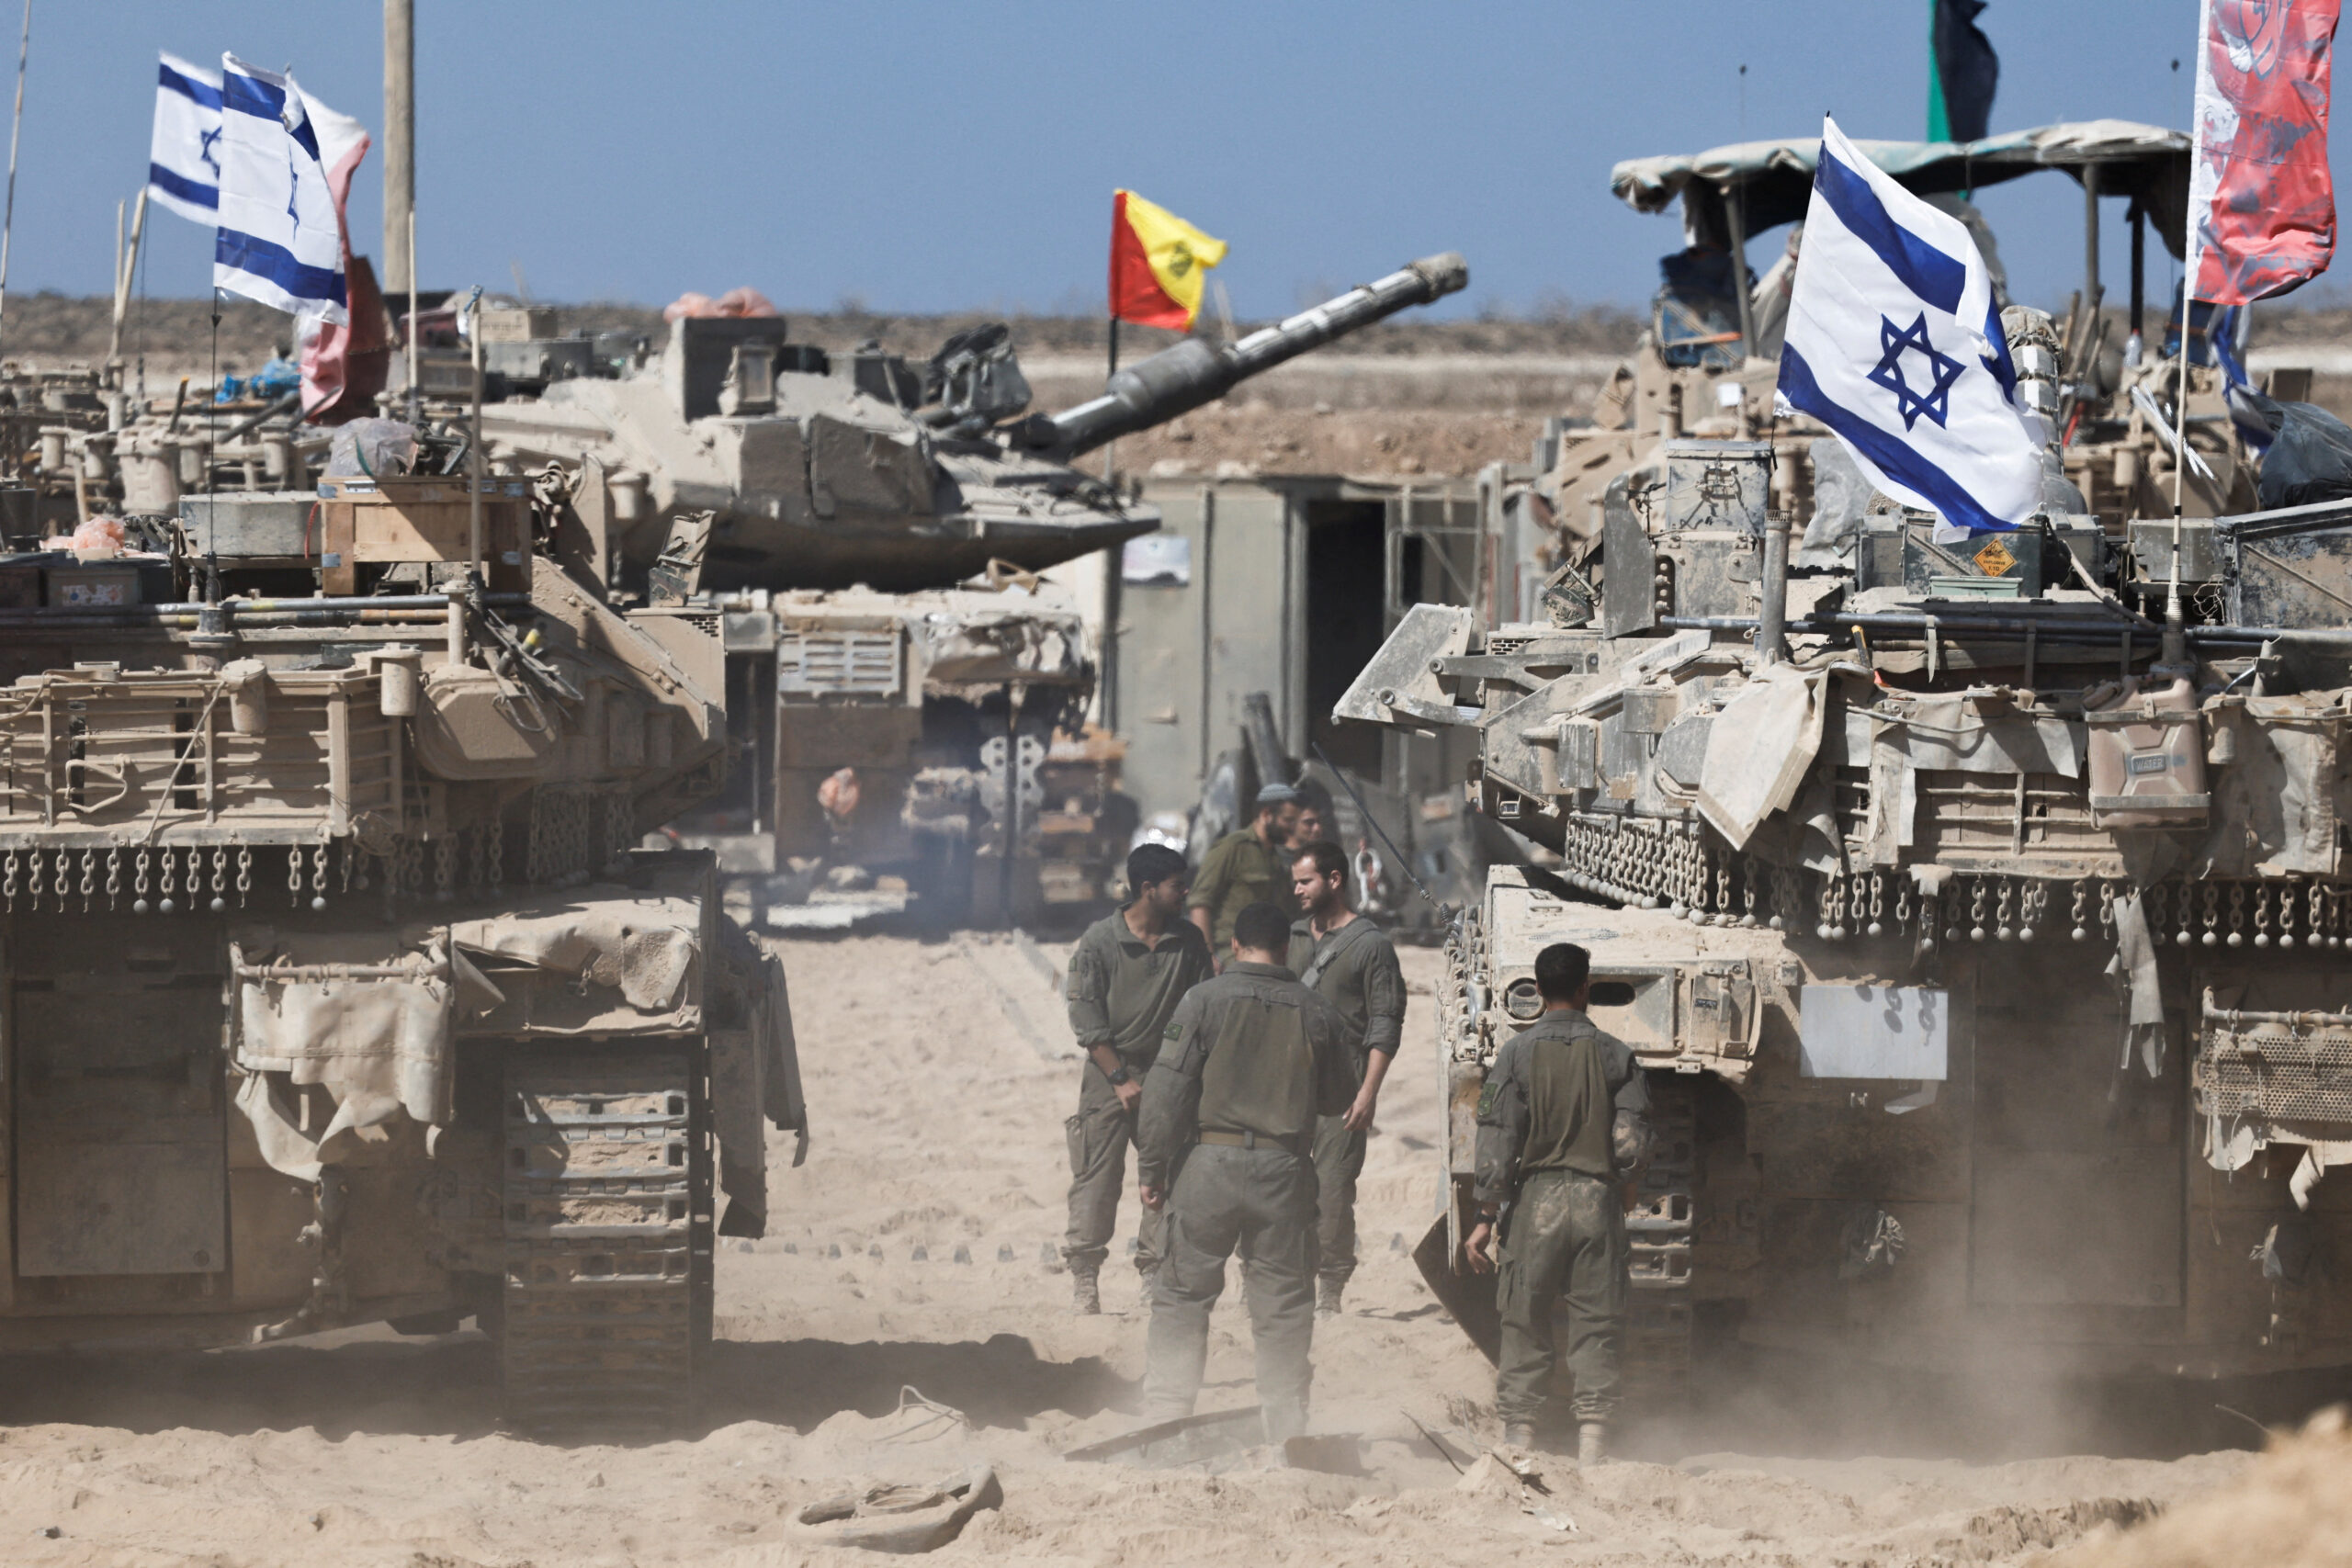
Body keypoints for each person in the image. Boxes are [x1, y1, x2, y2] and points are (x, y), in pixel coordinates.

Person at [1136, 900, 1357, 1441]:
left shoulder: (1202, 1000)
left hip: (1207, 1164)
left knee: (1182, 1294)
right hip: (1284, 1170)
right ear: (1287, 949)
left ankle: (1166, 1415)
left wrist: (1152, 1168)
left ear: (1234, 946)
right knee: (1283, 1304)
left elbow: (1165, 1093)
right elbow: (1338, 1100)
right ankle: (1285, 1422)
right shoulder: (1317, 1011)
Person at [1464, 941, 1651, 1464]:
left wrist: (1484, 1218)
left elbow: (1497, 1140)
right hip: (1597, 1201)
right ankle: (1592, 1441)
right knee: (1597, 1321)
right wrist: (1626, 1188)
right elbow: (1631, 1139)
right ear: (1585, 988)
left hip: (1535, 1203)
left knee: (1524, 1318)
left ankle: (1519, 1437)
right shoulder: (1617, 1055)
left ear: (1539, 990)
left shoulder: (1515, 1055)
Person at [1061, 843, 1215, 1314]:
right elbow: (1086, 1018)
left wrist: (1176, 1070)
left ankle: (1153, 1275)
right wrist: (1120, 1078)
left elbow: (1201, 1007)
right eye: (1176, 886)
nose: (1185, 893)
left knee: (1165, 1177)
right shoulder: (1098, 942)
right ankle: (1085, 1279)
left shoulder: (1188, 941)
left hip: (1169, 1075)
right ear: (1148, 889)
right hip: (1109, 1074)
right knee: (1096, 1177)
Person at [1285, 840, 1406, 1318]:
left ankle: (1330, 1289)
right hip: (1288, 1086)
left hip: (1343, 1087)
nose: (1297, 890)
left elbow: (1385, 1024)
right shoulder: (1293, 938)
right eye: (1295, 882)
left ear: (1334, 880)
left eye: (1305, 881)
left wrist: (1368, 1093)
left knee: (1333, 1193)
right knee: (1278, 1187)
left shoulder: (1371, 946)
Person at [1188, 784, 1302, 959]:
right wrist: (1207, 956)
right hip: (1231, 953)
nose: (1292, 828)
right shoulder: (1232, 848)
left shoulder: (1276, 858)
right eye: (1287, 820)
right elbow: (1200, 903)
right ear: (1266, 815)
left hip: (1268, 952)